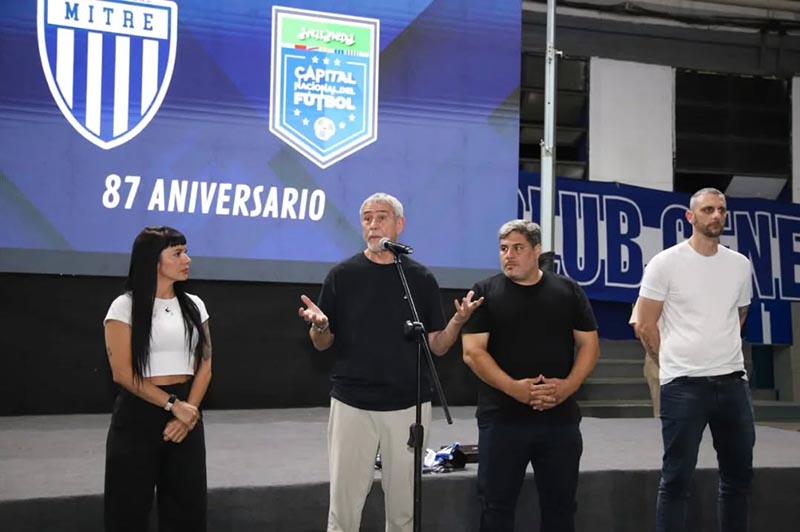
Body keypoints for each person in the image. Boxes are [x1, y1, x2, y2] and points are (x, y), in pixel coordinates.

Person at [297, 192, 483, 532]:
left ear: (400, 224)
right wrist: (320, 326)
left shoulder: (419, 279)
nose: (372, 224)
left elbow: (437, 347)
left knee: (403, 510)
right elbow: (322, 343)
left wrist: (457, 321)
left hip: (408, 406)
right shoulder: (342, 275)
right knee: (344, 507)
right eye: (367, 218)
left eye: (381, 217)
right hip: (353, 403)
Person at [461, 219, 600, 532]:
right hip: (502, 419)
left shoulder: (567, 291)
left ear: (537, 250)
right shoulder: (484, 292)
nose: (508, 255)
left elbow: (589, 345)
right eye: (503, 249)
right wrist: (515, 389)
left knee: (561, 507)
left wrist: (567, 387)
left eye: (517, 248)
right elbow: (472, 352)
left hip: (559, 419)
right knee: (495, 506)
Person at [635, 188, 755, 532]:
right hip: (683, 386)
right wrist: (671, 362)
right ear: (690, 217)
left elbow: (740, 315)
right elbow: (644, 324)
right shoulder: (665, 263)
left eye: (721, 210)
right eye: (708, 210)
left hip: (733, 384)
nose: (716, 215)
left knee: (738, 478)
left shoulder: (739, 264)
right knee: (676, 479)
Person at [103, 226, 212, 532]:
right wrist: (173, 405)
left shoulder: (195, 305)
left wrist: (188, 412)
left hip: (187, 415)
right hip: (139, 414)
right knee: (127, 510)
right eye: (177, 254)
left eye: (186, 252)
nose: (187, 259)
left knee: (187, 511)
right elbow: (122, 372)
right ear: (153, 260)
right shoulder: (124, 306)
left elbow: (205, 365)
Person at [629, 301, 660, 417]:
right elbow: (640, 329)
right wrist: (659, 357)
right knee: (664, 414)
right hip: (658, 359)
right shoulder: (650, 295)